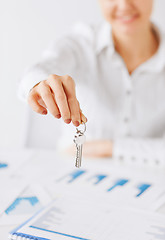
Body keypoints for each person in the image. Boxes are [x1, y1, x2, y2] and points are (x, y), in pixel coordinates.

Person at [19, 0, 165, 163]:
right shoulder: (81, 44)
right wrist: (38, 83)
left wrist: (108, 148)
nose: (124, 5)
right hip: (73, 172)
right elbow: (36, 72)